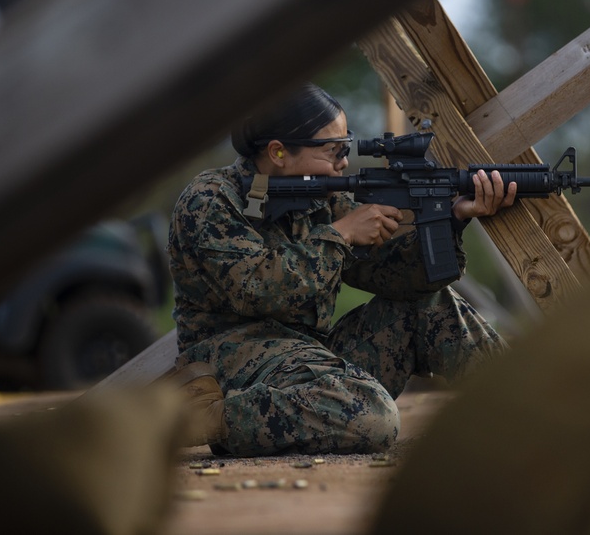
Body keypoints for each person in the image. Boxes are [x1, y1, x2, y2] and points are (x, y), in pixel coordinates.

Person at [166, 81, 517, 456]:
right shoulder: (211, 200)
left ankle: (524, 407)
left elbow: (397, 279)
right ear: (279, 151)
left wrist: (451, 219)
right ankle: (211, 418)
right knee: (372, 417)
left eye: (345, 148)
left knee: (431, 303)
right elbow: (256, 290)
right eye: (333, 151)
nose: (344, 163)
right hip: (234, 366)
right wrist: (342, 235)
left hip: (308, 357)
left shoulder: (322, 201)